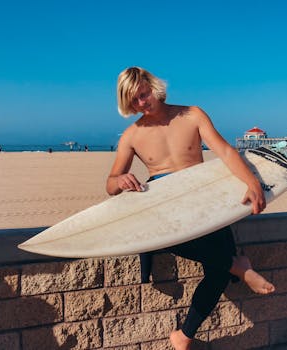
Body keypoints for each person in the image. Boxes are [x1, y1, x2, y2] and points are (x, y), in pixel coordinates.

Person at [107, 67, 275, 350]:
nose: (142, 103)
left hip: (201, 200)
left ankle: (183, 337)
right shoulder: (132, 136)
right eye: (134, 100)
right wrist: (119, 180)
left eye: (144, 95)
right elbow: (110, 184)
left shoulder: (192, 114)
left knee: (219, 273)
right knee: (211, 257)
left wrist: (252, 183)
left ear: (152, 86)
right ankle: (238, 265)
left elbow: (224, 151)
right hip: (165, 206)